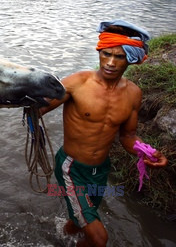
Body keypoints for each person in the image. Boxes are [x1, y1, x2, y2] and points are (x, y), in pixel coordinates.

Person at [40, 20, 168, 247]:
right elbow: (36, 110)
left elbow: (128, 136)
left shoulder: (133, 94)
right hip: (71, 168)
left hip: (100, 170)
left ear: (131, 58)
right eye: (106, 53)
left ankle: (61, 233)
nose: (110, 62)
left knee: (81, 222)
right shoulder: (77, 83)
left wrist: (146, 152)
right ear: (99, 51)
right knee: (99, 238)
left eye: (119, 57)